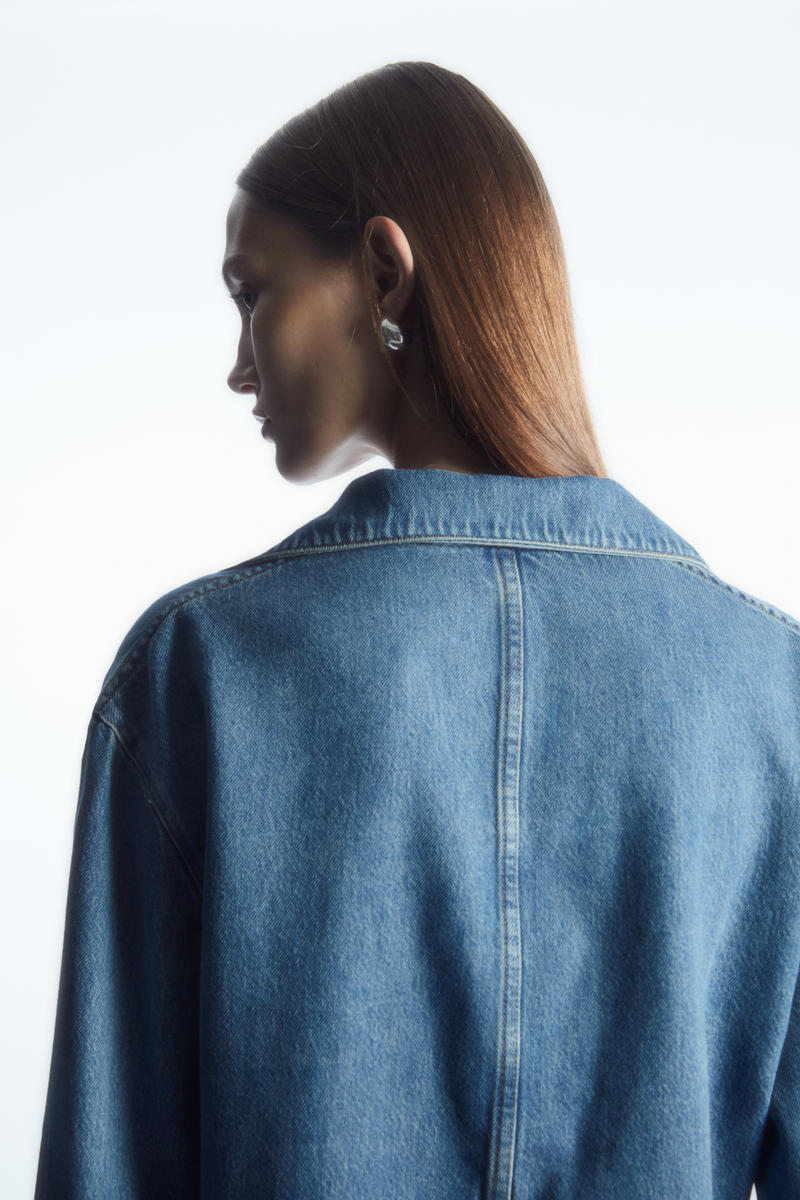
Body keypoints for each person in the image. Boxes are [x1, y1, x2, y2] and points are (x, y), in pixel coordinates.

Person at [34, 61, 798, 1199]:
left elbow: (111, 1172)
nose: (238, 366)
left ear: (383, 271)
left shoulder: (199, 672)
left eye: (250, 292)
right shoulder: (771, 690)